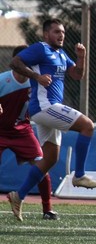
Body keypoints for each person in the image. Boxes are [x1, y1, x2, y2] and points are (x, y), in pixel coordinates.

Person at [7, 19, 96, 221]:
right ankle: (79, 175)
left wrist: (81, 58)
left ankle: (19, 195)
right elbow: (15, 62)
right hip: (44, 106)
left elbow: (77, 75)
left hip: (46, 110)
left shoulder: (60, 54)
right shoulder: (41, 48)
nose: (61, 35)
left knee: (50, 159)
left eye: (63, 32)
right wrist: (36, 76)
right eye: (56, 31)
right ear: (45, 34)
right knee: (88, 126)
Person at [1, 45, 56, 220]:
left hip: (23, 130)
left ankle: (47, 209)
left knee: (42, 164)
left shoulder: (37, 82)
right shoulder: (3, 80)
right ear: (15, 63)